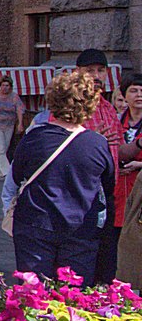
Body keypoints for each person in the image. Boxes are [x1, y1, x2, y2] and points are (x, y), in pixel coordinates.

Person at [9, 71, 115, 285]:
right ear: (89, 105)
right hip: (81, 227)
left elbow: (17, 175)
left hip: (35, 223)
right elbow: (107, 185)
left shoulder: (34, 138)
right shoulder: (97, 144)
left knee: (34, 297)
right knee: (74, 297)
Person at [114, 74, 142, 250]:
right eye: (133, 90)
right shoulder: (115, 121)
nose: (139, 94)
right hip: (117, 192)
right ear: (124, 96)